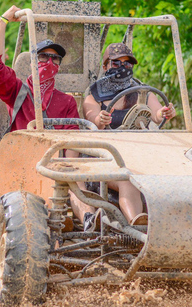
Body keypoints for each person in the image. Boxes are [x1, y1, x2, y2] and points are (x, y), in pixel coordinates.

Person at [72, 43, 177, 229]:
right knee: (128, 181)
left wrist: (164, 113)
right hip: (106, 162)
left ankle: (175, 224)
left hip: (138, 158)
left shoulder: (140, 92)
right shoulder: (94, 95)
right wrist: (100, 119)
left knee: (171, 175)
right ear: (105, 66)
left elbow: (157, 113)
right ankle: (138, 227)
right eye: (116, 63)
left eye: (127, 64)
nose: (123, 68)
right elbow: (92, 119)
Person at [0, 5, 79, 131]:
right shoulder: (16, 91)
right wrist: (3, 21)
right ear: (32, 62)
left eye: (55, 58)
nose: (49, 62)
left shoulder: (67, 102)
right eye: (43, 57)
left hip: (54, 151)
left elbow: (72, 143)